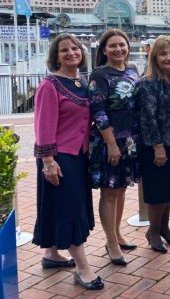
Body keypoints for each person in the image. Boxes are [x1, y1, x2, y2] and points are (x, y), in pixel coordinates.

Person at [32, 33, 103, 290]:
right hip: (58, 157)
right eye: (64, 50)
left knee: (60, 205)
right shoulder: (49, 85)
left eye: (75, 48)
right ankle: (83, 269)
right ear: (56, 57)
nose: (71, 53)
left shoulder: (81, 80)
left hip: (79, 154)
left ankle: (52, 254)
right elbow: (43, 126)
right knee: (71, 209)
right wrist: (48, 162)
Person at [88, 28, 140, 266]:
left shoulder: (132, 70)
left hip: (130, 140)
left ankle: (117, 234)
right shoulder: (99, 75)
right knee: (109, 191)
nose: (118, 49)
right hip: (109, 141)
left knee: (121, 190)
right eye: (113, 46)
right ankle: (110, 242)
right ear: (104, 50)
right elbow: (98, 112)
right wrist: (111, 144)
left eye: (122, 45)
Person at [138, 36, 170, 253]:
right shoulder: (148, 82)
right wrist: (158, 147)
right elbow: (148, 117)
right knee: (157, 192)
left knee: (169, 189)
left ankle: (164, 228)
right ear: (154, 56)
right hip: (156, 146)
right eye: (163, 54)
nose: (169, 58)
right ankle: (153, 231)